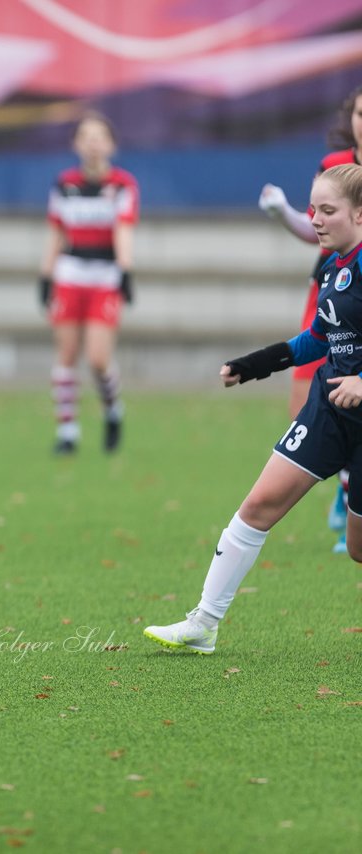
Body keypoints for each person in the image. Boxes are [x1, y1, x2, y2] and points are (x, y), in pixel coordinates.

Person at [144, 163, 362, 654]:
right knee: (257, 506)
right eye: (313, 210)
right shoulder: (333, 267)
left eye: (328, 211)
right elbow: (317, 340)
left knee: (357, 549)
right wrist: (255, 364)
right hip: (329, 412)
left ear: (361, 214)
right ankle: (203, 623)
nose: (316, 220)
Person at [257, 84, 362, 552]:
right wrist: (283, 212)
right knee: (308, 393)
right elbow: (315, 229)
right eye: (359, 112)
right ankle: (342, 486)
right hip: (332, 290)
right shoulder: (335, 165)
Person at [38, 112, 138, 455]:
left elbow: (123, 230)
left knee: (97, 359)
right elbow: (55, 232)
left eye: (99, 137)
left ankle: (112, 409)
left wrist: (126, 270)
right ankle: (67, 432)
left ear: (111, 144)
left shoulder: (123, 185)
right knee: (66, 354)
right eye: (86, 137)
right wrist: (45, 274)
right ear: (76, 144)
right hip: (70, 274)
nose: (93, 144)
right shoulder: (64, 184)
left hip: (105, 276)